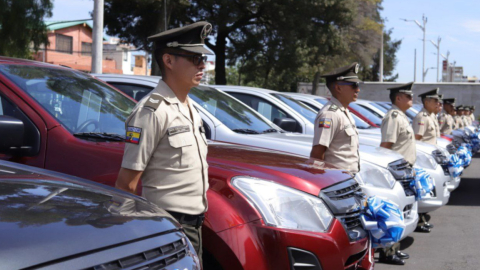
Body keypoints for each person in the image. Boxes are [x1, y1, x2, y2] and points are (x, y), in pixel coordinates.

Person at [115, 21, 213, 264]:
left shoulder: (189, 106)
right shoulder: (152, 111)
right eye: (194, 58)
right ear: (168, 61)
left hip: (194, 224)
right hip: (166, 225)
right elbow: (127, 184)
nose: (202, 65)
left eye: (203, 58)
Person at [379, 82, 416, 265]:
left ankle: (395, 247)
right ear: (398, 98)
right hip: (396, 173)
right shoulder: (393, 117)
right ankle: (388, 252)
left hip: (405, 171)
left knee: (402, 211)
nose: (412, 99)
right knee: (394, 211)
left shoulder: (401, 116)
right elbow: (386, 146)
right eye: (408, 96)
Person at [310, 62, 360, 174]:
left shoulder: (343, 112)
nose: (357, 90)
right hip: (336, 180)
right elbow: (317, 155)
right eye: (353, 85)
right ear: (338, 88)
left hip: (347, 180)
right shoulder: (330, 114)